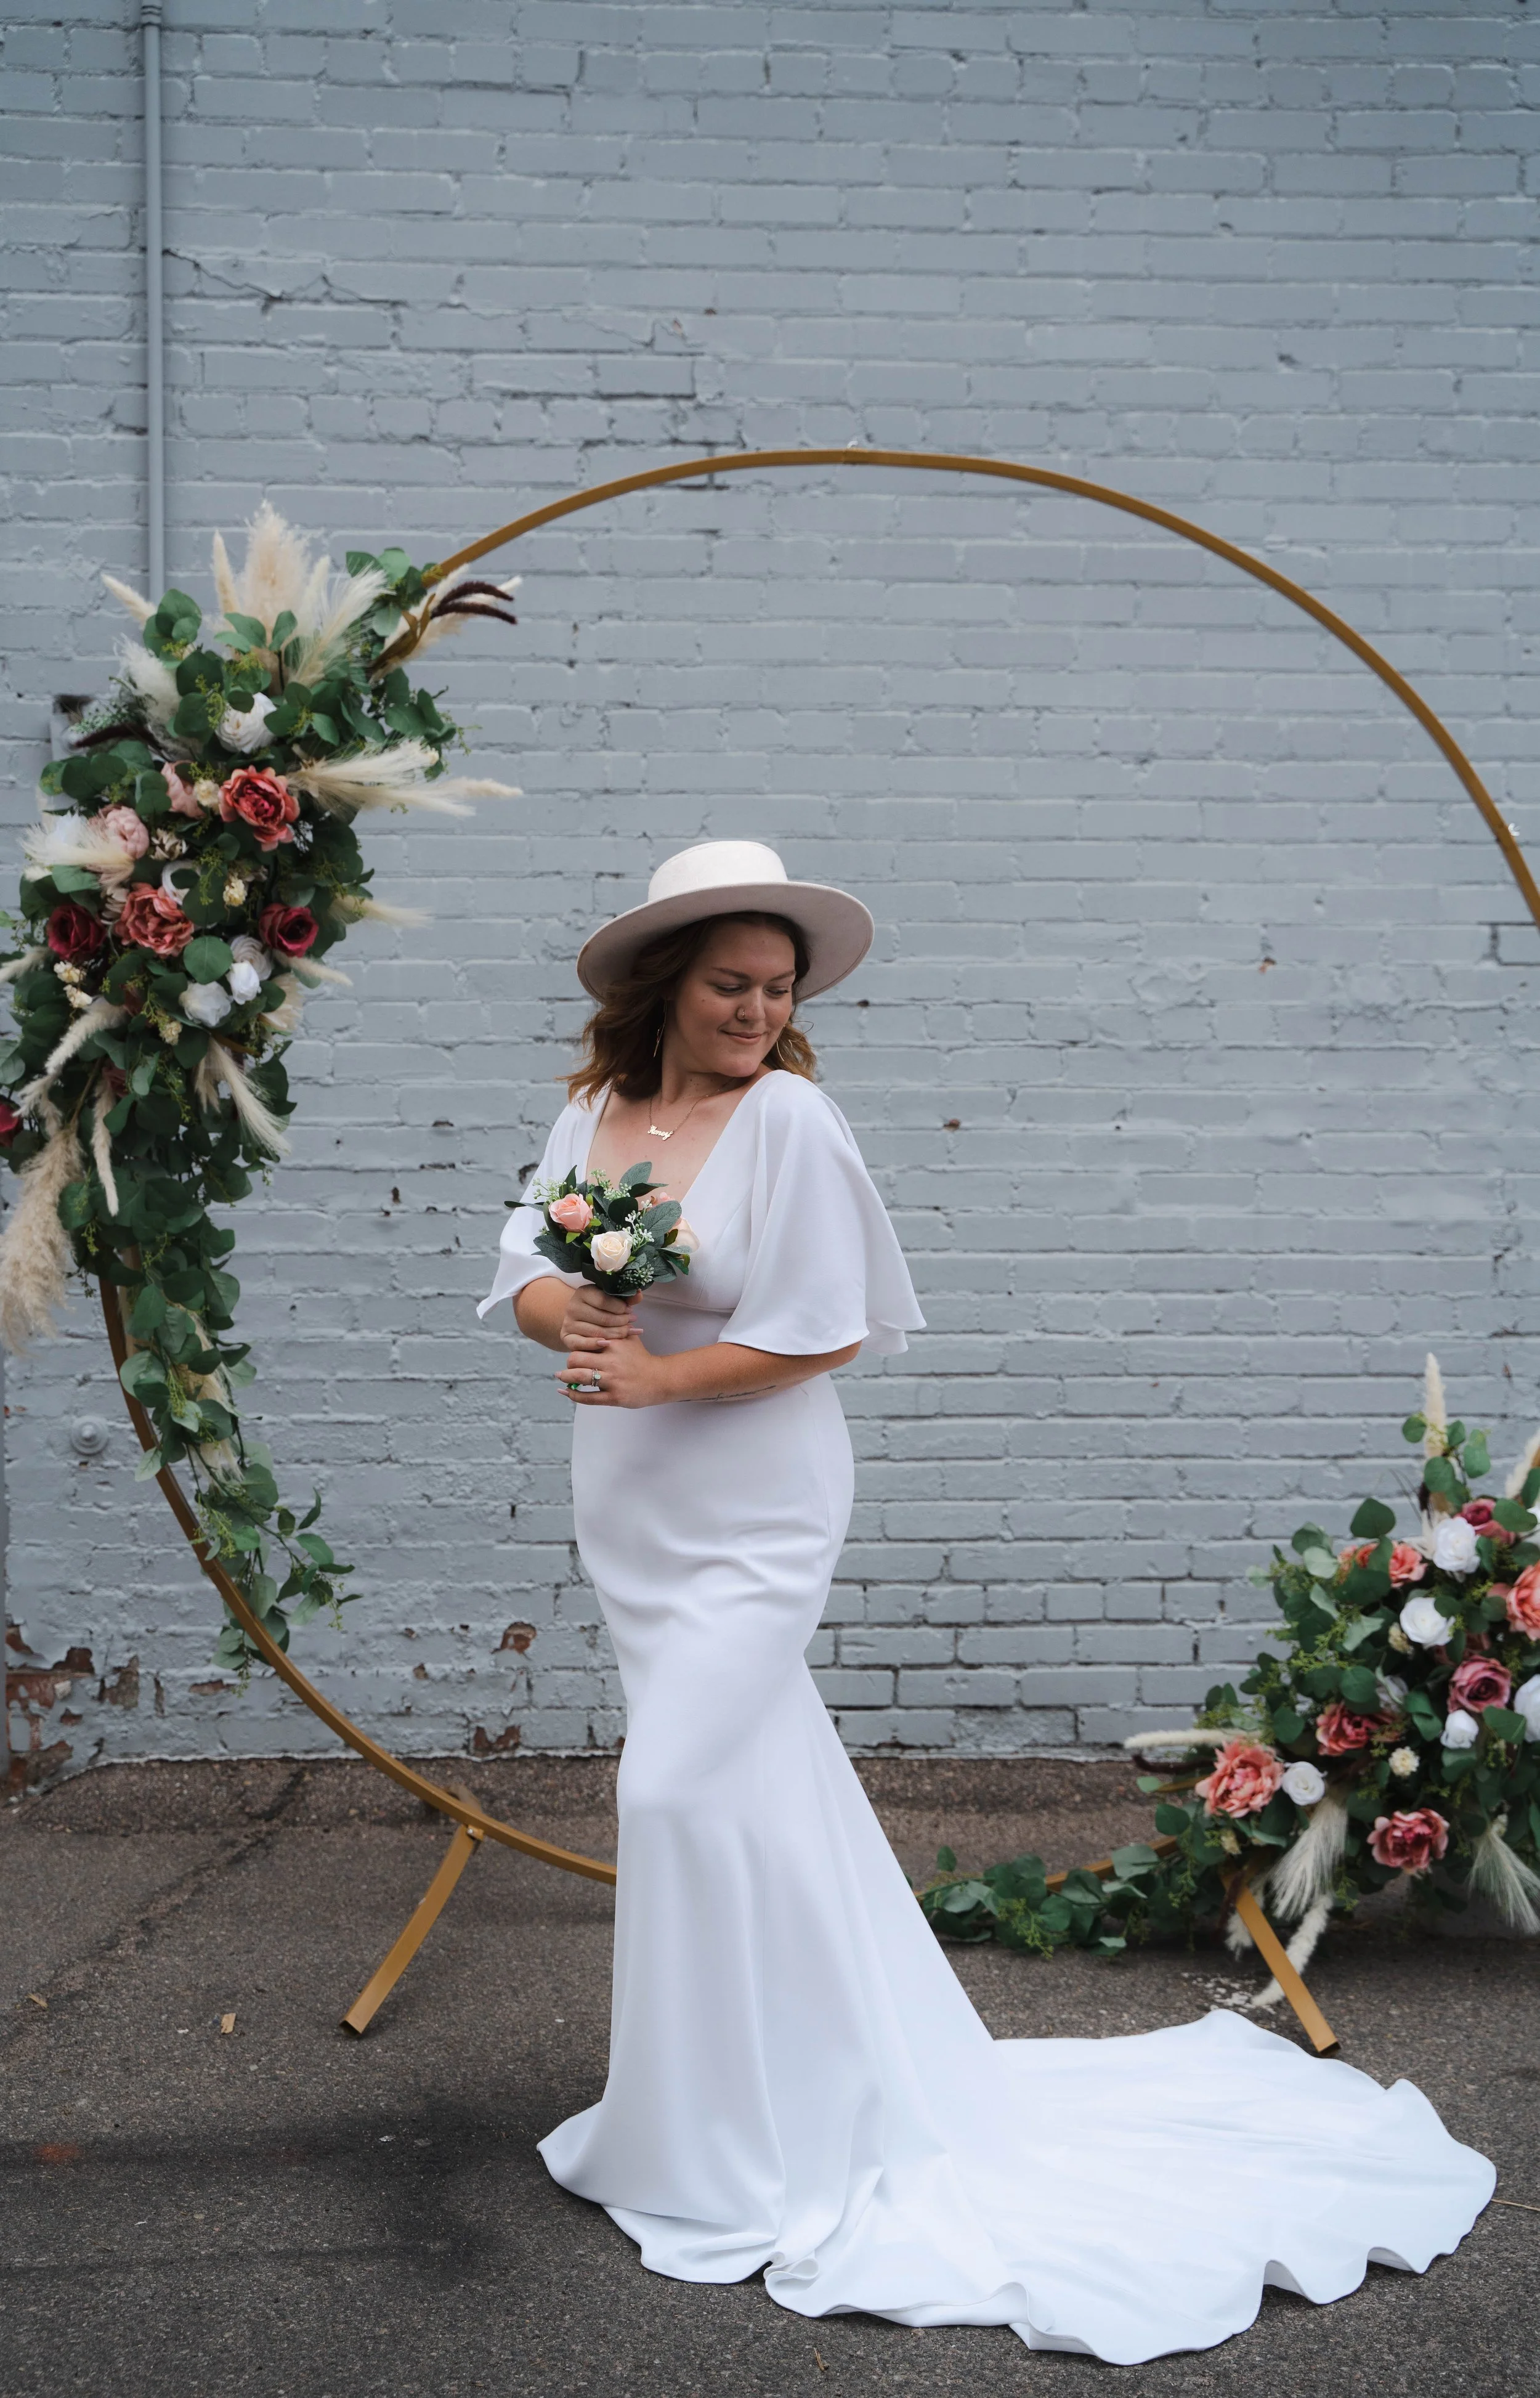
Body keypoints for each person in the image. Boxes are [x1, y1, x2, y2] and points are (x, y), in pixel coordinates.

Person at [479, 839, 1493, 2365]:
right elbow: (523, 1267)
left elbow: (825, 1328)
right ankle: (767, 2084)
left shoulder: (794, 1120)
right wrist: (582, 1307)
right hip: (628, 1497)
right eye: (728, 984)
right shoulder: (594, 1110)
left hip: (751, 1496)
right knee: (755, 1786)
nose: (757, 1008)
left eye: (778, 986)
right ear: (660, 985)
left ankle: (705, 2138)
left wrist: (657, 1368)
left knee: (676, 1785)